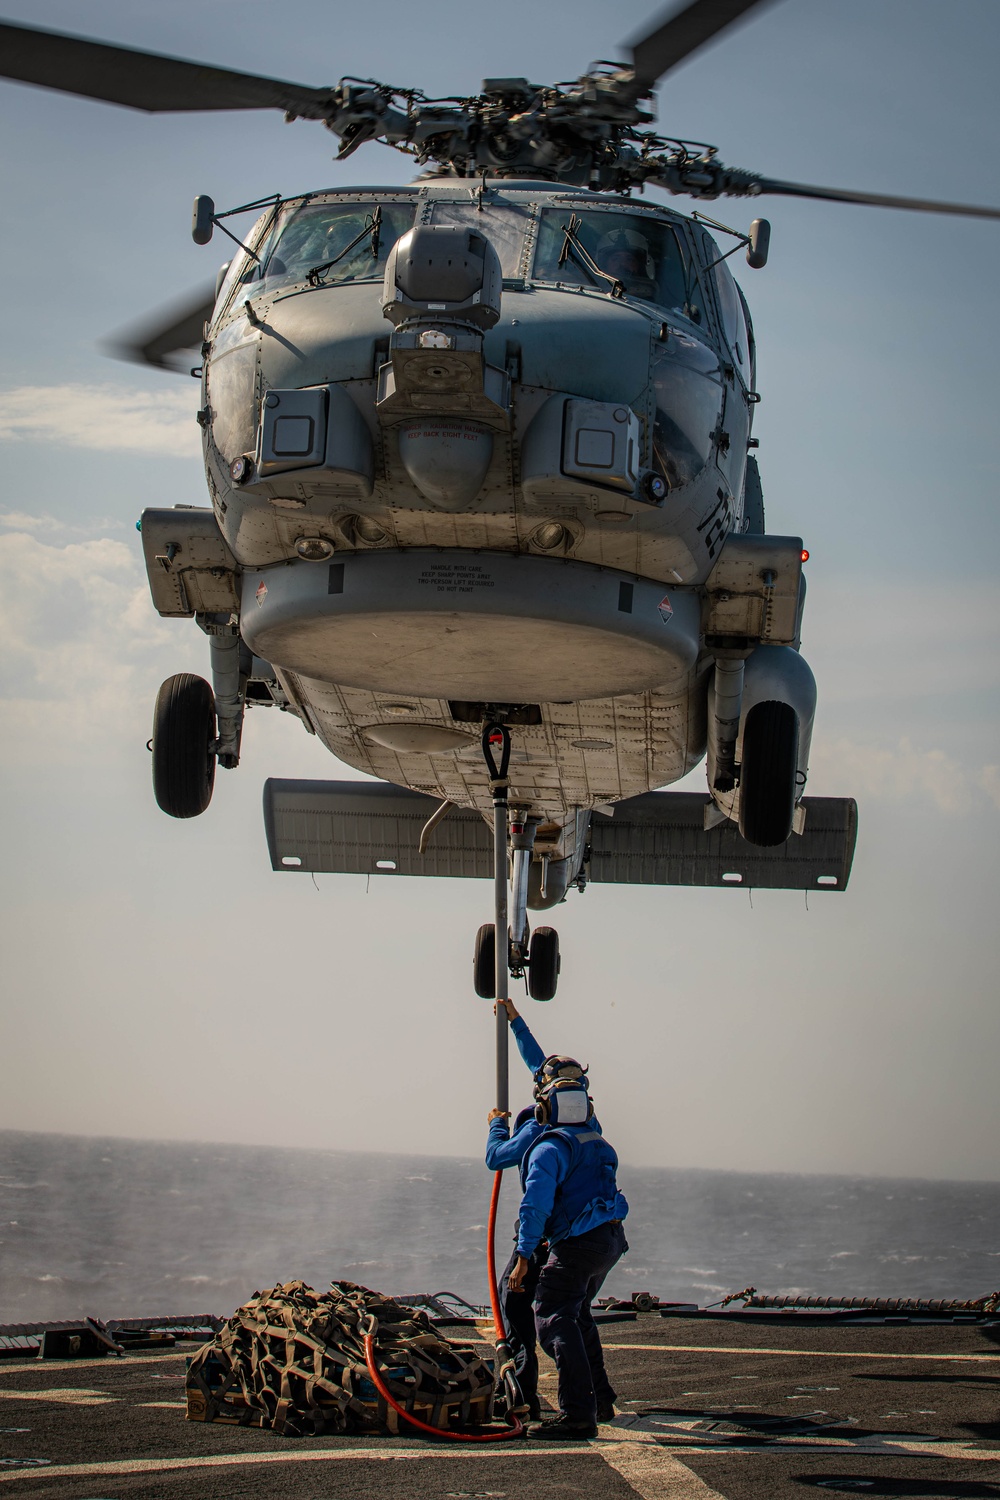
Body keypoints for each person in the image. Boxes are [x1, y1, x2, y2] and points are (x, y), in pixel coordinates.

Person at [485, 1001, 627, 1440]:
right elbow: (541, 1065)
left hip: (567, 1240)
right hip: (608, 1239)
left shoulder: (544, 1143)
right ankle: (600, 1401)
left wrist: (496, 1125)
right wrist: (515, 1021)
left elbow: (530, 1200)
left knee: (548, 1314)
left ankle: (576, 1413)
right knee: (576, 1311)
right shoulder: (591, 1129)